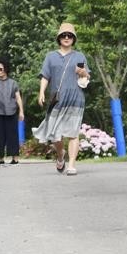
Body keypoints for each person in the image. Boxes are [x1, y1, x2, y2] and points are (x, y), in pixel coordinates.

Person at [32, 23, 90, 175]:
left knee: (73, 133)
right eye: (63, 35)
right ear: (59, 38)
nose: (66, 38)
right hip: (56, 100)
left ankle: (71, 165)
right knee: (55, 135)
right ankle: (60, 154)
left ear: (73, 39)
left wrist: (83, 72)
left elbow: (87, 77)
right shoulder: (51, 56)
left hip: (75, 99)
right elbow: (45, 76)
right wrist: (41, 92)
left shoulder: (79, 56)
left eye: (69, 35)